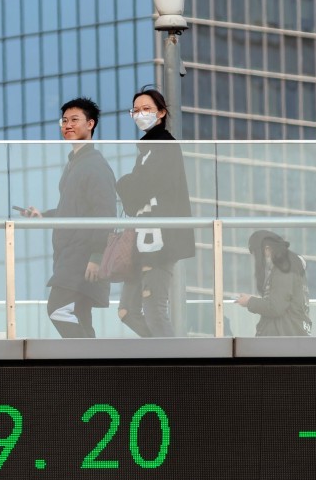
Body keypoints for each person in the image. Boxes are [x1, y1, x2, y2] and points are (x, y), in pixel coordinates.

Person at [21, 97, 117, 338]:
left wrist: (96, 257)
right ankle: (92, 371)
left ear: (91, 124)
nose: (68, 125)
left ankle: (92, 368)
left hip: (83, 257)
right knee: (80, 316)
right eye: (64, 121)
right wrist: (43, 215)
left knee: (58, 310)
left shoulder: (95, 165)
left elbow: (106, 213)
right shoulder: (75, 164)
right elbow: (73, 210)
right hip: (71, 255)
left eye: (75, 120)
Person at [116, 87, 195, 337]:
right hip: (140, 242)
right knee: (126, 311)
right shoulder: (145, 151)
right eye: (136, 111)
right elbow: (132, 201)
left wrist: (124, 183)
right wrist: (129, 185)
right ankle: (162, 352)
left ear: (161, 112)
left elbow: (144, 186)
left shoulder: (165, 144)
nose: (140, 114)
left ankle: (175, 366)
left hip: (160, 243)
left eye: (146, 109)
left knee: (154, 309)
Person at [234, 230, 312, 337]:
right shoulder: (291, 267)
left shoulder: (284, 268)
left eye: (256, 254)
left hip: (282, 339)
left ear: (267, 249)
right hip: (289, 336)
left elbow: (276, 307)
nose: (257, 259)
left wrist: (249, 301)